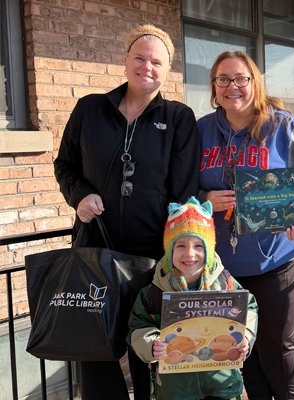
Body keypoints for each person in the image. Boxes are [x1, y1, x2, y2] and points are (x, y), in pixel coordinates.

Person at [52, 24, 200, 399]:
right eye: (139, 57)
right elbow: (65, 165)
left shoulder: (179, 118)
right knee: (95, 348)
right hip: (94, 251)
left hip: (151, 259)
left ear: (167, 71)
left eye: (156, 61)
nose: (146, 66)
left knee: (149, 350)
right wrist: (80, 194)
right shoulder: (89, 108)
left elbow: (183, 195)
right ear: (125, 60)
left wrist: (180, 254)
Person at [198, 51, 294, 400]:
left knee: (277, 345)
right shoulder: (201, 130)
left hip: (278, 258)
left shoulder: (283, 126)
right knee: (242, 345)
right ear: (214, 86)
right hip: (223, 265)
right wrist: (204, 196)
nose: (232, 86)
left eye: (241, 78)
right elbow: (180, 189)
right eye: (223, 79)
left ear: (255, 82)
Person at [128, 197, 258, 400]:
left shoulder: (225, 283)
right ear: (169, 249)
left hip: (222, 384)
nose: (190, 254)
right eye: (180, 245)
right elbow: (137, 326)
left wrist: (246, 338)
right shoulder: (154, 291)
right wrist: (152, 345)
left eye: (199, 245)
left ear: (209, 248)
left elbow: (249, 307)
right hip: (175, 388)